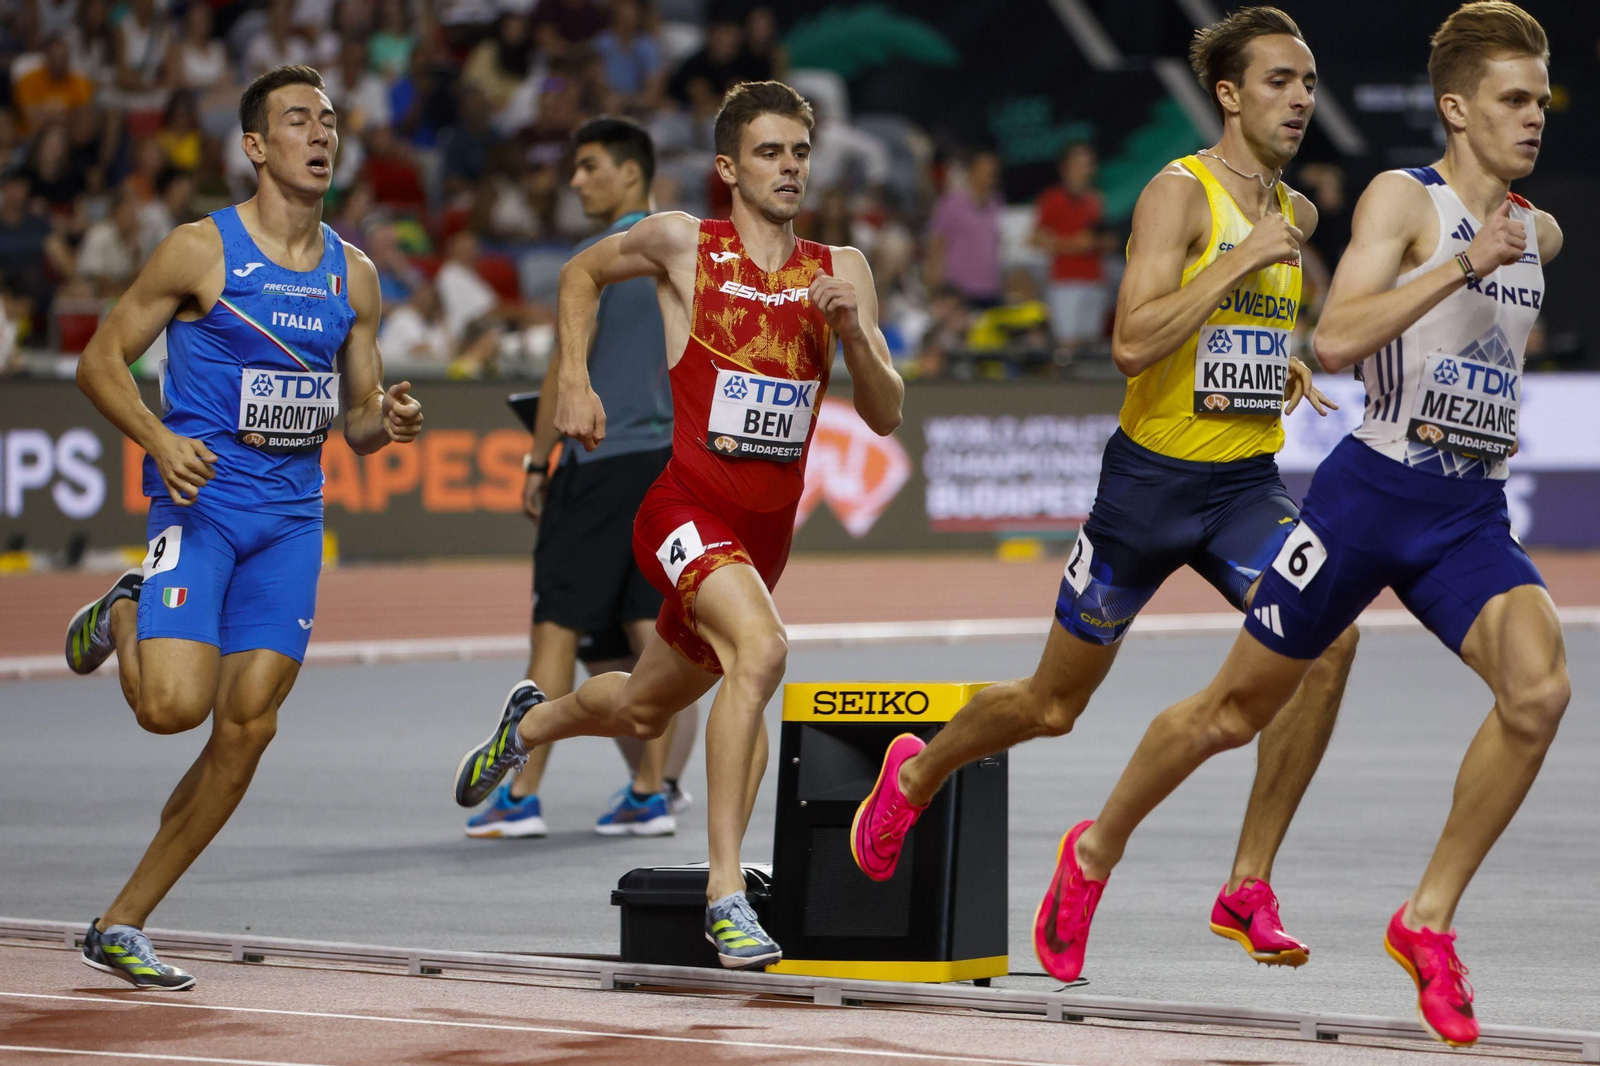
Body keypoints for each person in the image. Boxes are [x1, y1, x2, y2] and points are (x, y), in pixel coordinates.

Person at [1023, 2, 1563, 1047]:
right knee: (1229, 714)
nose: (1535, 116)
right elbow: (1341, 334)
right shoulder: (1403, 199)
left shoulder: (1539, 232)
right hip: (1367, 499)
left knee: (1538, 693)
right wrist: (1464, 263)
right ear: (1457, 109)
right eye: (1513, 98)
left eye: (1541, 99)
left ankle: (1425, 921)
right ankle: (1093, 850)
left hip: (1465, 513)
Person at [853, 6, 1355, 974]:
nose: (1300, 99)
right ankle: (916, 772)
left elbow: (1228, 327)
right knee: (1051, 707)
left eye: (1307, 83)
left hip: (1244, 491)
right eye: (1278, 81)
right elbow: (1129, 342)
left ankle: (1245, 882)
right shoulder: (1179, 194)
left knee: (1329, 640)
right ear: (1228, 94)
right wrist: (1241, 262)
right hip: (1146, 493)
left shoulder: (1296, 214)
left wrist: (1273, 358)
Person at [452, 80, 904, 968]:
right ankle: (725, 894)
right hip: (682, 510)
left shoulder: (842, 269)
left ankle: (527, 727)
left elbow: (886, 413)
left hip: (763, 540)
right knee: (760, 653)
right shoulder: (683, 244)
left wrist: (854, 337)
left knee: (641, 706)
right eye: (770, 153)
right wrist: (574, 382)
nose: (790, 168)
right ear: (729, 168)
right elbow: (580, 273)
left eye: (800, 153)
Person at [64, 66, 423, 991]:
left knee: (247, 728)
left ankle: (122, 922)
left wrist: (389, 420)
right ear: (256, 146)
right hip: (203, 508)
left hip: (291, 523)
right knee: (170, 711)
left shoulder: (355, 275)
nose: (322, 134)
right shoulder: (199, 251)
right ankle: (125, 612)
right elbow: (99, 362)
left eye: (330, 121)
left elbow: (358, 421)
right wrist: (159, 439)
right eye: (299, 120)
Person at [462, 116, 702, 841]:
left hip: (598, 463)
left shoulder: (600, 260)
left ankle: (521, 795)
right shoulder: (684, 255)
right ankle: (650, 793)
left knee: (556, 627)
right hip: (666, 466)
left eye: (590, 165)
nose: (576, 180)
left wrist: (538, 461)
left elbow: (564, 371)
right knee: (645, 630)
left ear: (631, 173)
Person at [1033, 142, 1110, 351]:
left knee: (1091, 341)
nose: (1084, 169)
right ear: (1065, 167)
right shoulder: (1052, 199)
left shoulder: (1095, 199)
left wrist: (1096, 243)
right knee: (1067, 343)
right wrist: (1072, 244)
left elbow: (1104, 238)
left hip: (1094, 279)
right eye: (1079, 164)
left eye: (1088, 164)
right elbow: (1035, 239)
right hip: (1065, 281)